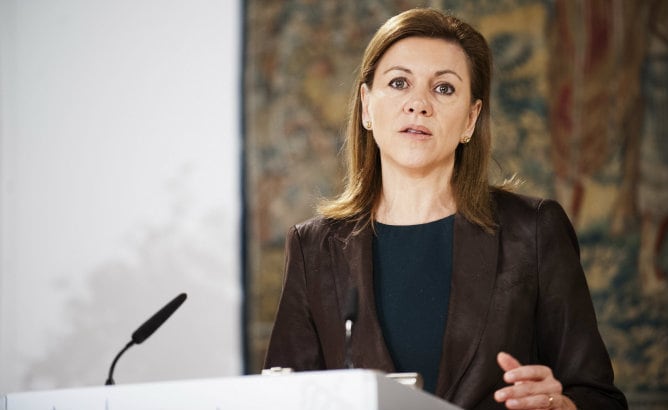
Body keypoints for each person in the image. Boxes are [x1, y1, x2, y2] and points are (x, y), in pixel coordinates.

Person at [263, 7, 628, 410]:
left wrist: (565, 406)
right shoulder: (313, 247)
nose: (418, 104)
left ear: (471, 119)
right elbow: (282, 399)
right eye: (399, 83)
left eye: (444, 89)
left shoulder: (534, 231)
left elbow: (601, 399)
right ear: (366, 106)